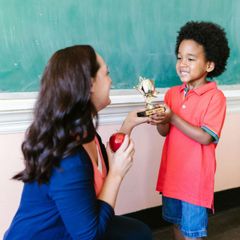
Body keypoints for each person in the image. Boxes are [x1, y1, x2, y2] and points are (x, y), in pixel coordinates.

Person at [4, 45, 153, 240]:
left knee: (138, 232)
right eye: (106, 74)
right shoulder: (67, 157)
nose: (111, 80)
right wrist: (116, 174)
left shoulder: (87, 134)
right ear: (90, 84)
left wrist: (128, 126)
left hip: (73, 228)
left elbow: (96, 181)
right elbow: (89, 236)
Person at [150, 21, 230, 240]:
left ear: (209, 66)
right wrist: (160, 119)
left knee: (193, 233)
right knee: (176, 225)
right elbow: (164, 132)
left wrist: (173, 117)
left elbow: (205, 137)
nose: (182, 64)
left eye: (191, 59)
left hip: (195, 183)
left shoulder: (215, 98)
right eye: (179, 57)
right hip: (171, 177)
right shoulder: (172, 94)